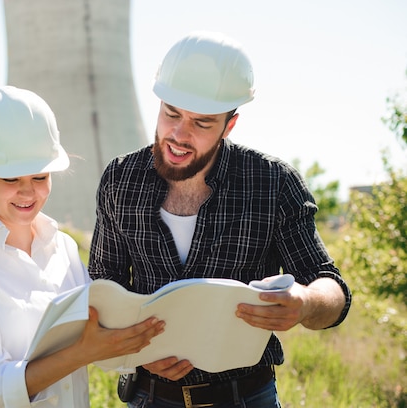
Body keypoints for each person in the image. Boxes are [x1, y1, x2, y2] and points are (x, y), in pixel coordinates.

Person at [88, 31, 352, 408]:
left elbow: (333, 289)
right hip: (148, 396)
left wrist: (306, 303)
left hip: (246, 397)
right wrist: (138, 349)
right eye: (171, 114)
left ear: (230, 125)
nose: (178, 134)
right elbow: (102, 286)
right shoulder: (120, 178)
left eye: (201, 123)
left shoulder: (273, 182)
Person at [0, 86, 165, 408]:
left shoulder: (61, 246)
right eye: (11, 180)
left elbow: (97, 330)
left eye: (39, 178)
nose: (28, 194)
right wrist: (82, 353)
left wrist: (146, 357)